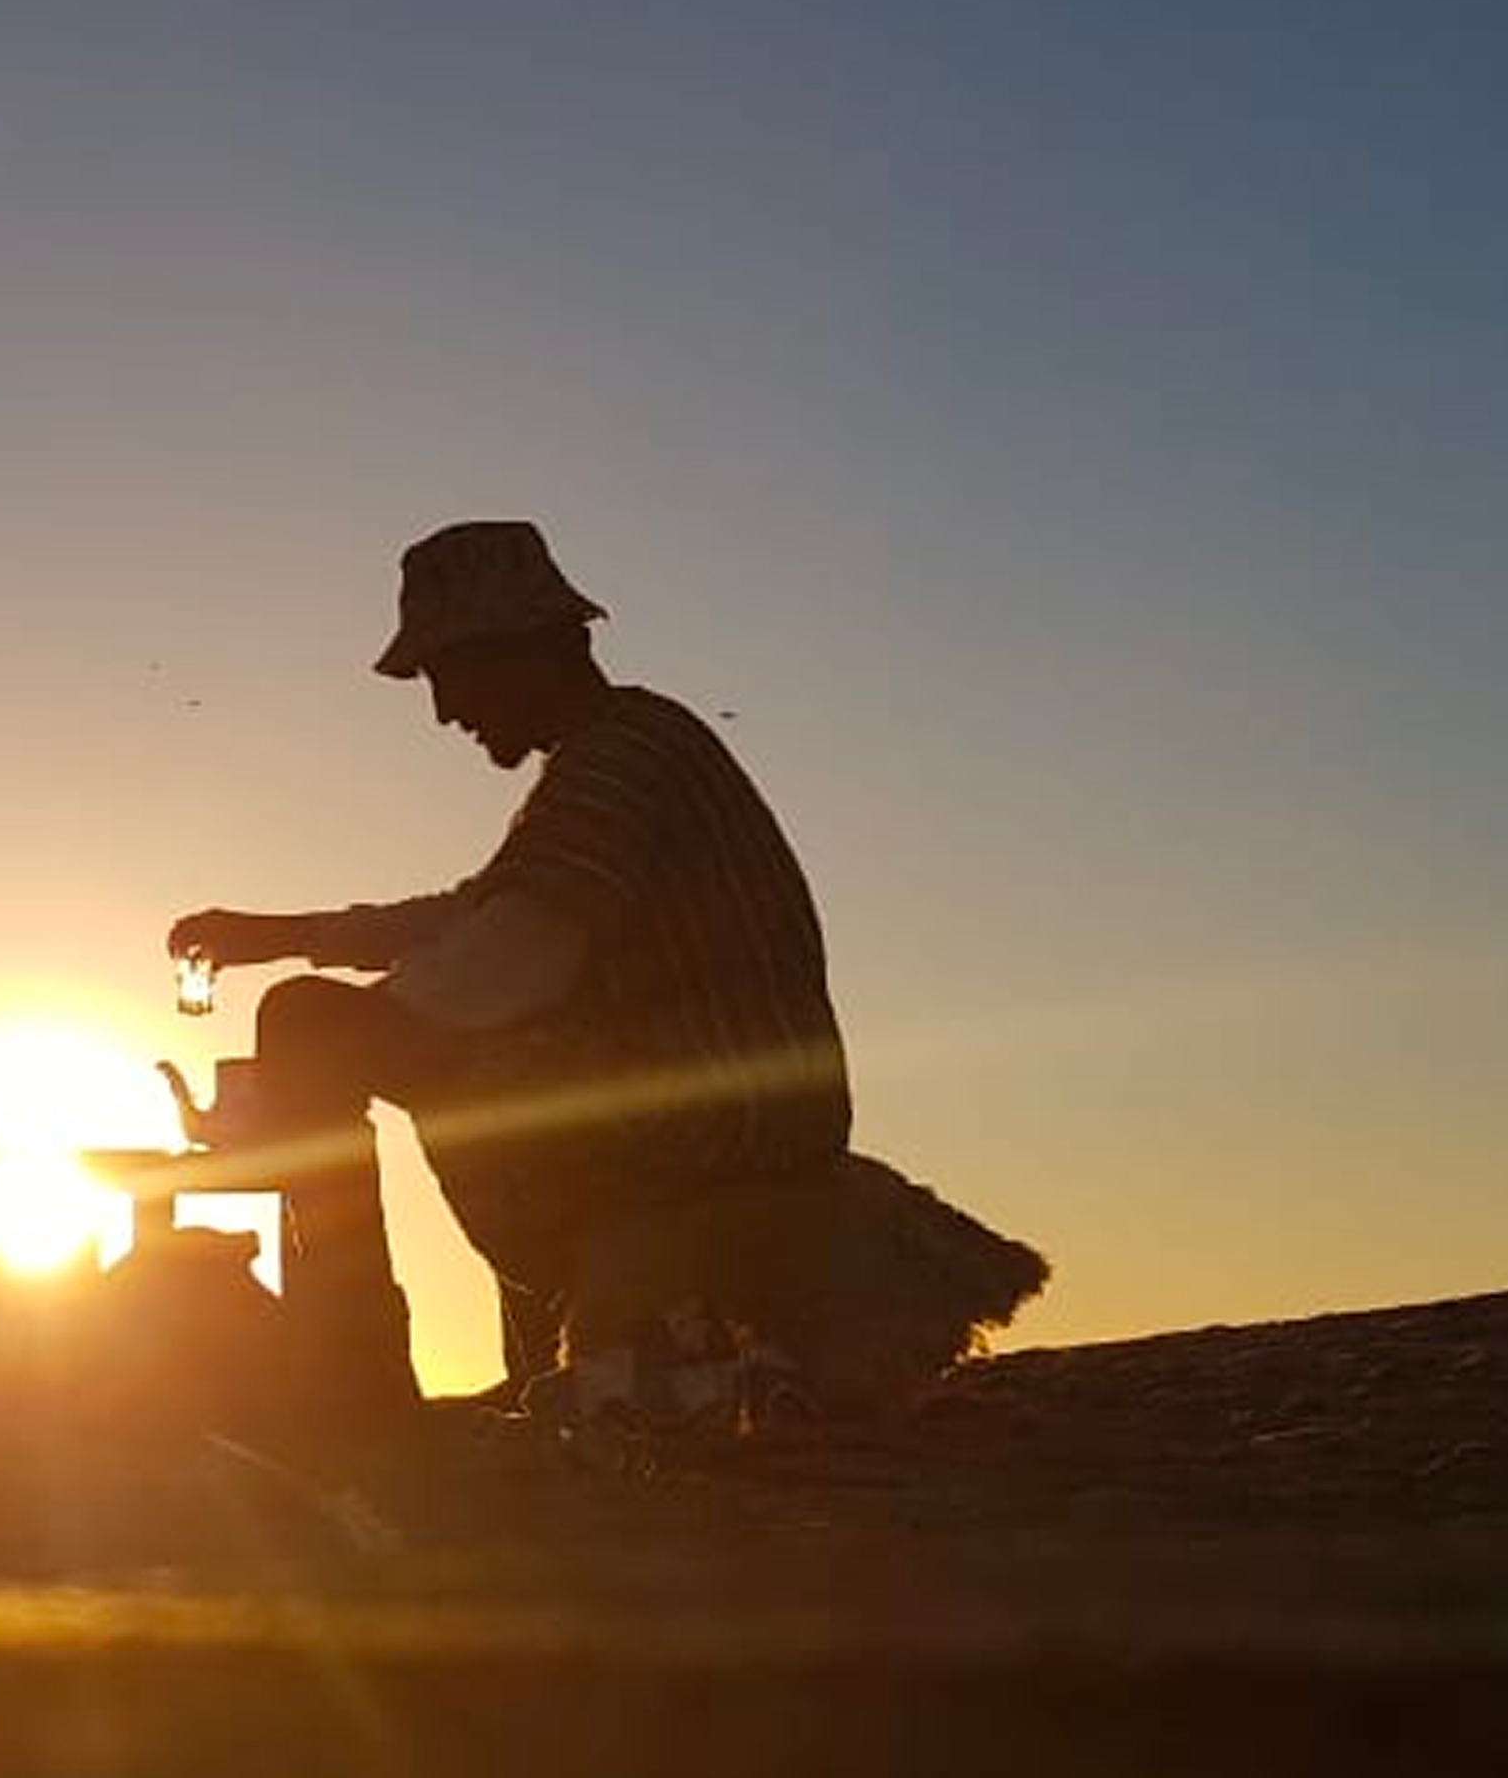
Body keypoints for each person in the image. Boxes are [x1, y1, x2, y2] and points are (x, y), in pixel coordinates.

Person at [169, 519, 1043, 1427]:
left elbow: (511, 958)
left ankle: (353, 1385)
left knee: (315, 1023)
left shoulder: (620, 762)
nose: (443, 712)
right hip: (737, 1099)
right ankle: (541, 1353)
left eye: (448, 676)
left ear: (524, 650)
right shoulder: (621, 755)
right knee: (380, 1036)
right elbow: (483, 914)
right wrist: (292, 935)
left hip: (717, 1107)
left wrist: (327, 1051)